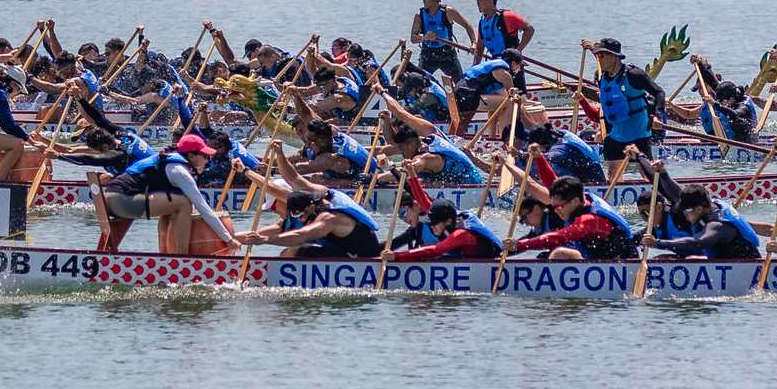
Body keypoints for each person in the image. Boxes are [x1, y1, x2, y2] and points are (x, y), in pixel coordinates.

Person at [99, 133, 239, 254]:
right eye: (205, 156)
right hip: (120, 200)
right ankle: (182, 259)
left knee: (171, 207)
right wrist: (228, 239)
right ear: (191, 155)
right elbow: (203, 208)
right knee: (184, 204)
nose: (208, 161)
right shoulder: (179, 171)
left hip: (111, 197)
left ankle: (165, 255)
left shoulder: (169, 160)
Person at [234, 146, 383, 259]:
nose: (274, 210)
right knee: (287, 253)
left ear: (310, 208)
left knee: (297, 251)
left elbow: (301, 235)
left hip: (362, 257)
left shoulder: (329, 217)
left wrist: (246, 171)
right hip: (342, 253)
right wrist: (228, 238)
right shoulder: (296, 214)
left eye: (273, 206)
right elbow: (254, 235)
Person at [501, 175, 636, 261]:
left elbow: (559, 237)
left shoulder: (589, 220)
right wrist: (539, 157)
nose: (555, 211)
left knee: (559, 253)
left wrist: (520, 245)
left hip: (621, 264)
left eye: (558, 206)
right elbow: (551, 180)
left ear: (575, 201)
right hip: (598, 258)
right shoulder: (581, 198)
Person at [584, 37, 665, 164]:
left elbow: (659, 92)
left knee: (646, 173)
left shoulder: (634, 75)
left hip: (639, 138)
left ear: (614, 57)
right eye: (598, 55)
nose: (599, 59)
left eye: (602, 56)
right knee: (611, 174)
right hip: (614, 138)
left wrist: (657, 116)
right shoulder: (603, 79)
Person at [648, 187, 762, 260]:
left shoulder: (716, 225)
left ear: (698, 209)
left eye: (686, 211)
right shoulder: (707, 206)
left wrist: (658, 243)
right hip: (725, 259)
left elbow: (698, 242)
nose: (684, 215)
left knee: (690, 259)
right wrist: (662, 173)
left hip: (746, 264)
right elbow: (669, 187)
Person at [380, 200, 502, 262]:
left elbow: (435, 250)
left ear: (448, 221)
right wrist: (411, 174)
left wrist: (397, 256)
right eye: (430, 222)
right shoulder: (450, 222)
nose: (431, 226)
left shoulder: (461, 234)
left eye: (435, 222)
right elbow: (424, 200)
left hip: (494, 259)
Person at [411, 0, 475, 81]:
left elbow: (467, 26)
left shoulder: (448, 12)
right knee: (419, 82)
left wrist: (473, 44)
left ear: (435, 0)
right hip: (428, 55)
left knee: (460, 84)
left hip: (447, 54)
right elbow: (413, 39)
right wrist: (425, 38)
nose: (423, 1)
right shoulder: (419, 15)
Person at [472, 0, 535, 84]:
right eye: (477, 0)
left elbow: (529, 29)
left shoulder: (507, 16)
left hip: (512, 64)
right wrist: (474, 70)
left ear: (491, 1)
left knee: (516, 92)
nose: (477, 2)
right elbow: (480, 48)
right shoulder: (482, 21)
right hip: (496, 65)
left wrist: (518, 51)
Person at [452, 48, 526, 126]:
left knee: (497, 102)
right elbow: (513, 98)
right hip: (468, 98)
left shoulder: (493, 65)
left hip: (459, 94)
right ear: (513, 63)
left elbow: (503, 95)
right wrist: (527, 102)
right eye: (520, 66)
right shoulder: (505, 74)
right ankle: (504, 132)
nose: (520, 69)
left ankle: (493, 133)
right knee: (510, 103)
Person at [523, 123, 606, 184]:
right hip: (596, 174)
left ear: (542, 145)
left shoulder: (555, 155)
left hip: (592, 183)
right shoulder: (562, 134)